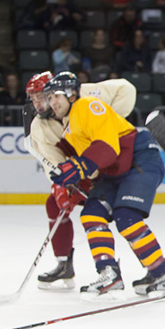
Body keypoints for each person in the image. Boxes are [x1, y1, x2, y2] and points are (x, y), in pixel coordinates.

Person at [42, 72, 165, 296]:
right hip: (114, 171)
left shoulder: (87, 106)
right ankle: (109, 274)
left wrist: (79, 167)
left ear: (72, 94)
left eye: (56, 95)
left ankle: (163, 274)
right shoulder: (69, 127)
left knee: (126, 216)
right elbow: (93, 162)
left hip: (138, 159)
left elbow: (107, 147)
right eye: (49, 97)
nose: (52, 102)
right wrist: (74, 182)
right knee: (92, 214)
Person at [23, 71, 138, 290]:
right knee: (54, 204)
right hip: (83, 171)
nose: (37, 102)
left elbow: (126, 88)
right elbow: (53, 162)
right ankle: (64, 264)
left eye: (41, 95)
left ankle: (153, 267)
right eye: (33, 97)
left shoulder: (84, 96)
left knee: (124, 214)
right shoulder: (40, 126)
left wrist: (109, 124)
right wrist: (61, 187)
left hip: (113, 159)